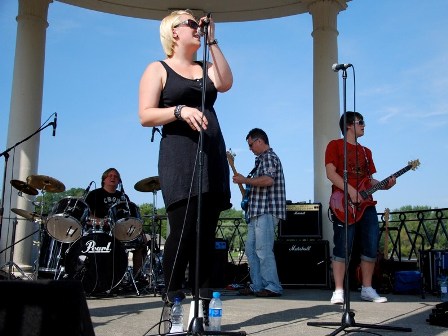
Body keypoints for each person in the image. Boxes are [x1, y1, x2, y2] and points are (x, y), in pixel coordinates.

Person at [138, 9, 233, 303]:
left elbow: (226, 83)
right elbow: (145, 115)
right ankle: (173, 303)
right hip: (180, 157)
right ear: (174, 32)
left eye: (198, 24)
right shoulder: (158, 68)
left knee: (206, 235)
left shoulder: (206, 64)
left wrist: (213, 40)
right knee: (182, 231)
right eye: (191, 23)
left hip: (212, 155)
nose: (197, 27)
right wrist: (179, 110)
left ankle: (201, 311)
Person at [325, 112, 397, 304]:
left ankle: (367, 288)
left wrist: (384, 184)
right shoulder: (335, 145)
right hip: (342, 202)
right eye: (361, 122)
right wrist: (350, 191)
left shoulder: (366, 151)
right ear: (349, 125)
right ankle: (338, 290)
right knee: (343, 244)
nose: (364, 126)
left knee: (371, 245)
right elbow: (331, 174)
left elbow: (369, 180)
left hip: (367, 204)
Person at [232, 128, 285, 297]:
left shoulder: (269, 157)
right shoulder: (261, 161)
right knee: (251, 250)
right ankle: (258, 285)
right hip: (257, 212)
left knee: (262, 250)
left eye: (250, 145)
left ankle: (272, 286)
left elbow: (268, 180)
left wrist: (244, 180)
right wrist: (245, 181)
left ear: (259, 141)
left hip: (266, 211)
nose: (250, 149)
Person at [84, 168, 148, 279]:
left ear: (119, 181)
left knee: (140, 244)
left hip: (120, 232)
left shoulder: (123, 197)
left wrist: (140, 231)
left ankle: (137, 278)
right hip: (100, 230)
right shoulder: (94, 194)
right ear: (104, 179)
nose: (113, 177)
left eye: (116, 176)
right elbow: (86, 215)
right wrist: (101, 221)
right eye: (110, 175)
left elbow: (131, 217)